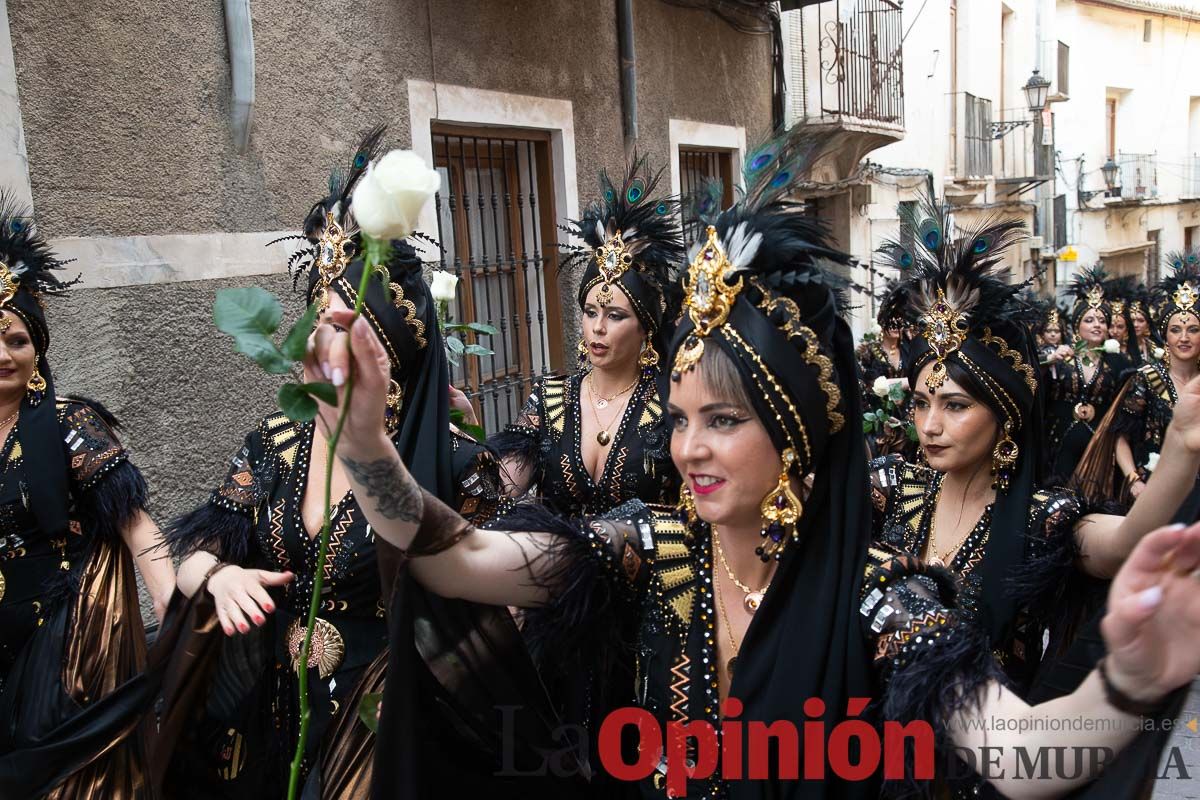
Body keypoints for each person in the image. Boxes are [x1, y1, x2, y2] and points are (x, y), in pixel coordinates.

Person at [309, 142, 1200, 799]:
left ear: (794, 438)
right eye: (682, 419)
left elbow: (1019, 756)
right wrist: (365, 448)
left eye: (724, 421)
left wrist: (1126, 681)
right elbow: (455, 558)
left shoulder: (878, 597)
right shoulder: (650, 550)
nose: (688, 447)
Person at [159, 131, 536, 798]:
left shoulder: (453, 464)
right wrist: (216, 577)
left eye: (339, 329)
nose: (313, 342)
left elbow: (498, 621)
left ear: (381, 355)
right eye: (314, 323)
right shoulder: (276, 441)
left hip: (390, 729)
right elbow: (192, 545)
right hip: (280, 714)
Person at [870, 198, 1200, 710]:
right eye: (919, 403)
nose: (930, 426)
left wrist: (1180, 445)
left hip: (994, 763)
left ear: (1005, 415)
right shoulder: (889, 487)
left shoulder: (1037, 518)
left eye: (955, 406)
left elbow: (1127, 543)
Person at [0, 193, 176, 798]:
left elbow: (137, 527)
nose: (4, 354)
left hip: (67, 651)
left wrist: (176, 620)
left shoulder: (70, 423)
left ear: (38, 349)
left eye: (18, 340)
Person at [490, 160, 681, 516]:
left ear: (645, 327)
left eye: (615, 316)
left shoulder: (672, 403)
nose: (597, 328)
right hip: (558, 569)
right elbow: (501, 487)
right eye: (591, 312)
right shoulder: (550, 399)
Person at [1074, 252, 1200, 512]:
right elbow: (1120, 437)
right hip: (1156, 492)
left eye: (1193, 330)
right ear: (1165, 337)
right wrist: (1133, 480)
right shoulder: (1147, 379)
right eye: (1176, 330)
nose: (1184, 337)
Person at [1047, 266, 1133, 481]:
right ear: (1077, 327)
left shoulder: (1119, 362)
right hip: (1060, 444)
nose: (1097, 325)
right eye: (1089, 320)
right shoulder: (1062, 357)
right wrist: (1049, 363)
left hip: (1100, 446)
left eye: (1102, 321)